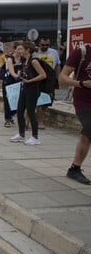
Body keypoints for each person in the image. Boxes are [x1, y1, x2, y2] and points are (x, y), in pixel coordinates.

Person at [59, 43, 91, 184]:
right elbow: (62, 78)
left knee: (87, 134)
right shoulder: (82, 52)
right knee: (90, 127)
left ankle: (74, 169)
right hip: (84, 100)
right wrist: (81, 84)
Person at [10, 41, 46, 146]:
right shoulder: (24, 61)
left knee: (30, 112)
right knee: (20, 110)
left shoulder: (34, 61)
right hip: (24, 88)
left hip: (33, 89)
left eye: (21, 49)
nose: (19, 51)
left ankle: (35, 137)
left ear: (27, 50)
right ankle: (21, 134)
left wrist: (30, 81)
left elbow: (43, 75)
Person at [34, 36, 61, 130]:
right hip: (39, 79)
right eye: (42, 45)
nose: (44, 46)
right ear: (39, 44)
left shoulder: (53, 52)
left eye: (47, 45)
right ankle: (40, 121)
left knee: (49, 100)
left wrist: (58, 78)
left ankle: (37, 115)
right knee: (40, 101)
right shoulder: (35, 53)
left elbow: (57, 65)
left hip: (50, 79)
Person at [1, 45, 21, 128]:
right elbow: (11, 71)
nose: (20, 51)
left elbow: (20, 69)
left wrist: (19, 76)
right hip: (9, 81)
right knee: (8, 100)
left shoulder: (22, 59)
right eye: (18, 49)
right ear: (14, 50)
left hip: (18, 81)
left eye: (21, 49)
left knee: (17, 100)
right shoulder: (10, 59)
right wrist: (17, 76)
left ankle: (12, 114)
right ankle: (7, 119)